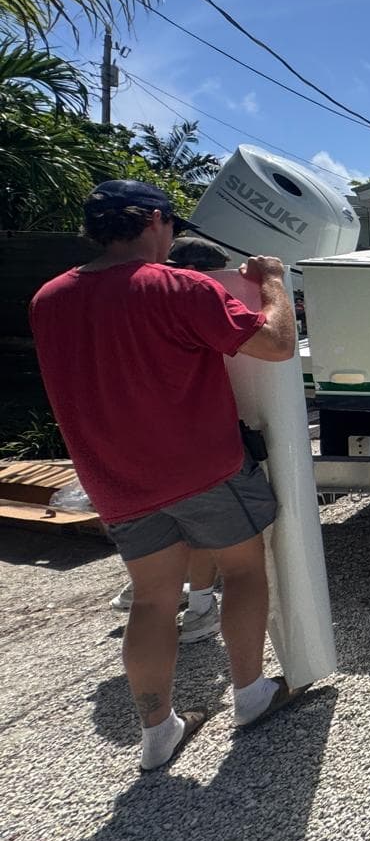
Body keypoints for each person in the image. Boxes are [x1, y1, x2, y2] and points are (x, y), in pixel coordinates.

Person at [30, 181, 301, 771]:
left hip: (117, 481)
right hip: (203, 469)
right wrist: (273, 282)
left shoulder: (48, 299)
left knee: (152, 600)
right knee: (243, 570)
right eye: (172, 225)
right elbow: (278, 344)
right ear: (154, 220)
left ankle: (158, 734)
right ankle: (251, 694)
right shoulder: (180, 287)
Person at [107, 233, 236, 637]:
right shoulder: (191, 301)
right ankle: (200, 607)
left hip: (128, 439)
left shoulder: (126, 302)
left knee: (155, 524)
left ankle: (149, 587)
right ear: (196, 272)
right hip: (184, 442)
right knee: (202, 528)